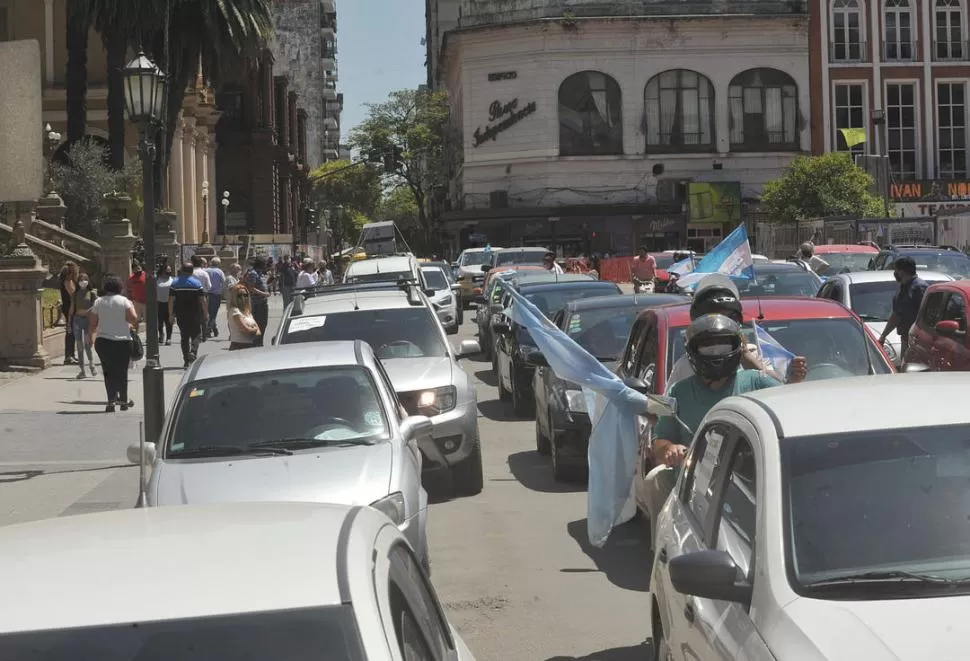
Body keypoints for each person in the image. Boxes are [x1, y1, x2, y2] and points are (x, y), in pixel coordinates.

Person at [644, 314, 784, 550]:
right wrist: (669, 449)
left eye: (722, 345)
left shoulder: (758, 382)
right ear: (693, 352)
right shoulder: (679, 391)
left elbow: (789, 409)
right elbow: (660, 441)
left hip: (754, 481)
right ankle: (663, 553)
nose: (716, 353)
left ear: (736, 348)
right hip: (693, 487)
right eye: (708, 348)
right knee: (654, 480)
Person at [666, 274, 807, 390]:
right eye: (717, 317)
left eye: (731, 318)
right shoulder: (686, 365)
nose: (724, 324)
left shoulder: (755, 354)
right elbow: (668, 412)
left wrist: (746, 357)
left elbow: (773, 394)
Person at [87, 273, 138, 412]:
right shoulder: (124, 301)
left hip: (103, 341)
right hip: (122, 341)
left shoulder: (98, 302)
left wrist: (90, 338)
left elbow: (92, 323)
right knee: (122, 371)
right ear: (119, 287)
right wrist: (127, 323)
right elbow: (134, 318)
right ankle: (123, 400)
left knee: (108, 371)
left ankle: (111, 401)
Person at [878, 256, 928, 362]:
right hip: (906, 340)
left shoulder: (919, 288)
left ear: (901, 272)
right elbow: (897, 315)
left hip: (918, 343)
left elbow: (927, 315)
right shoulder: (903, 289)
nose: (895, 273)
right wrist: (883, 336)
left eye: (896, 270)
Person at [169, 262, 208, 368]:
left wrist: (170, 315)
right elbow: (202, 300)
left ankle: (186, 360)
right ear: (192, 271)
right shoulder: (196, 284)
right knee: (196, 334)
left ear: (181, 270)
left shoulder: (175, 283)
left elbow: (171, 300)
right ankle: (193, 352)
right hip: (195, 313)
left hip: (181, 314)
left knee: (184, 336)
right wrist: (205, 313)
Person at [69, 271, 97, 379]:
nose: (83, 282)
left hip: (87, 321)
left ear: (88, 281)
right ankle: (82, 370)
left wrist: (85, 312)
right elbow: (72, 308)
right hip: (77, 320)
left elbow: (95, 307)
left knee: (87, 344)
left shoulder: (92, 293)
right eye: (80, 280)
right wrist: (69, 322)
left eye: (85, 280)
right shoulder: (75, 294)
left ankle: (91, 364)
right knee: (79, 346)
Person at [244, 257, 271, 346]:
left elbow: (262, 284)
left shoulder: (260, 273)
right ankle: (255, 343)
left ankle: (259, 342)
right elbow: (251, 288)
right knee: (258, 323)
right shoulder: (253, 273)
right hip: (256, 303)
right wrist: (264, 294)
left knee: (263, 323)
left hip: (262, 301)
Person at [227, 284, 261, 350]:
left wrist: (252, 329)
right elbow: (245, 330)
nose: (243, 298)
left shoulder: (247, 312)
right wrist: (254, 328)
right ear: (234, 297)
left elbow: (259, 332)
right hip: (239, 346)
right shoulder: (234, 311)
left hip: (251, 345)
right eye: (239, 296)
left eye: (245, 295)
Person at [59, 261, 79, 365]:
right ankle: (69, 356)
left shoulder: (68, 281)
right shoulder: (68, 281)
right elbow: (73, 295)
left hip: (69, 308)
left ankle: (71, 355)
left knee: (72, 332)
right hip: (69, 309)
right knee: (70, 332)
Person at [205, 257, 226, 338]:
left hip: (206, 294)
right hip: (216, 295)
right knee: (213, 313)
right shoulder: (219, 271)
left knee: (208, 312)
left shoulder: (206, 270)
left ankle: (214, 329)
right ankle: (208, 329)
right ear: (219, 264)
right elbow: (224, 282)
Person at [156, 264, 173, 346]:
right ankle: (161, 335)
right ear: (163, 271)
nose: (169, 272)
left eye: (170, 270)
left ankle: (169, 338)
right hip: (159, 303)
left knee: (169, 322)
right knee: (160, 322)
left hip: (169, 304)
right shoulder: (157, 280)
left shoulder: (172, 280)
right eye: (167, 270)